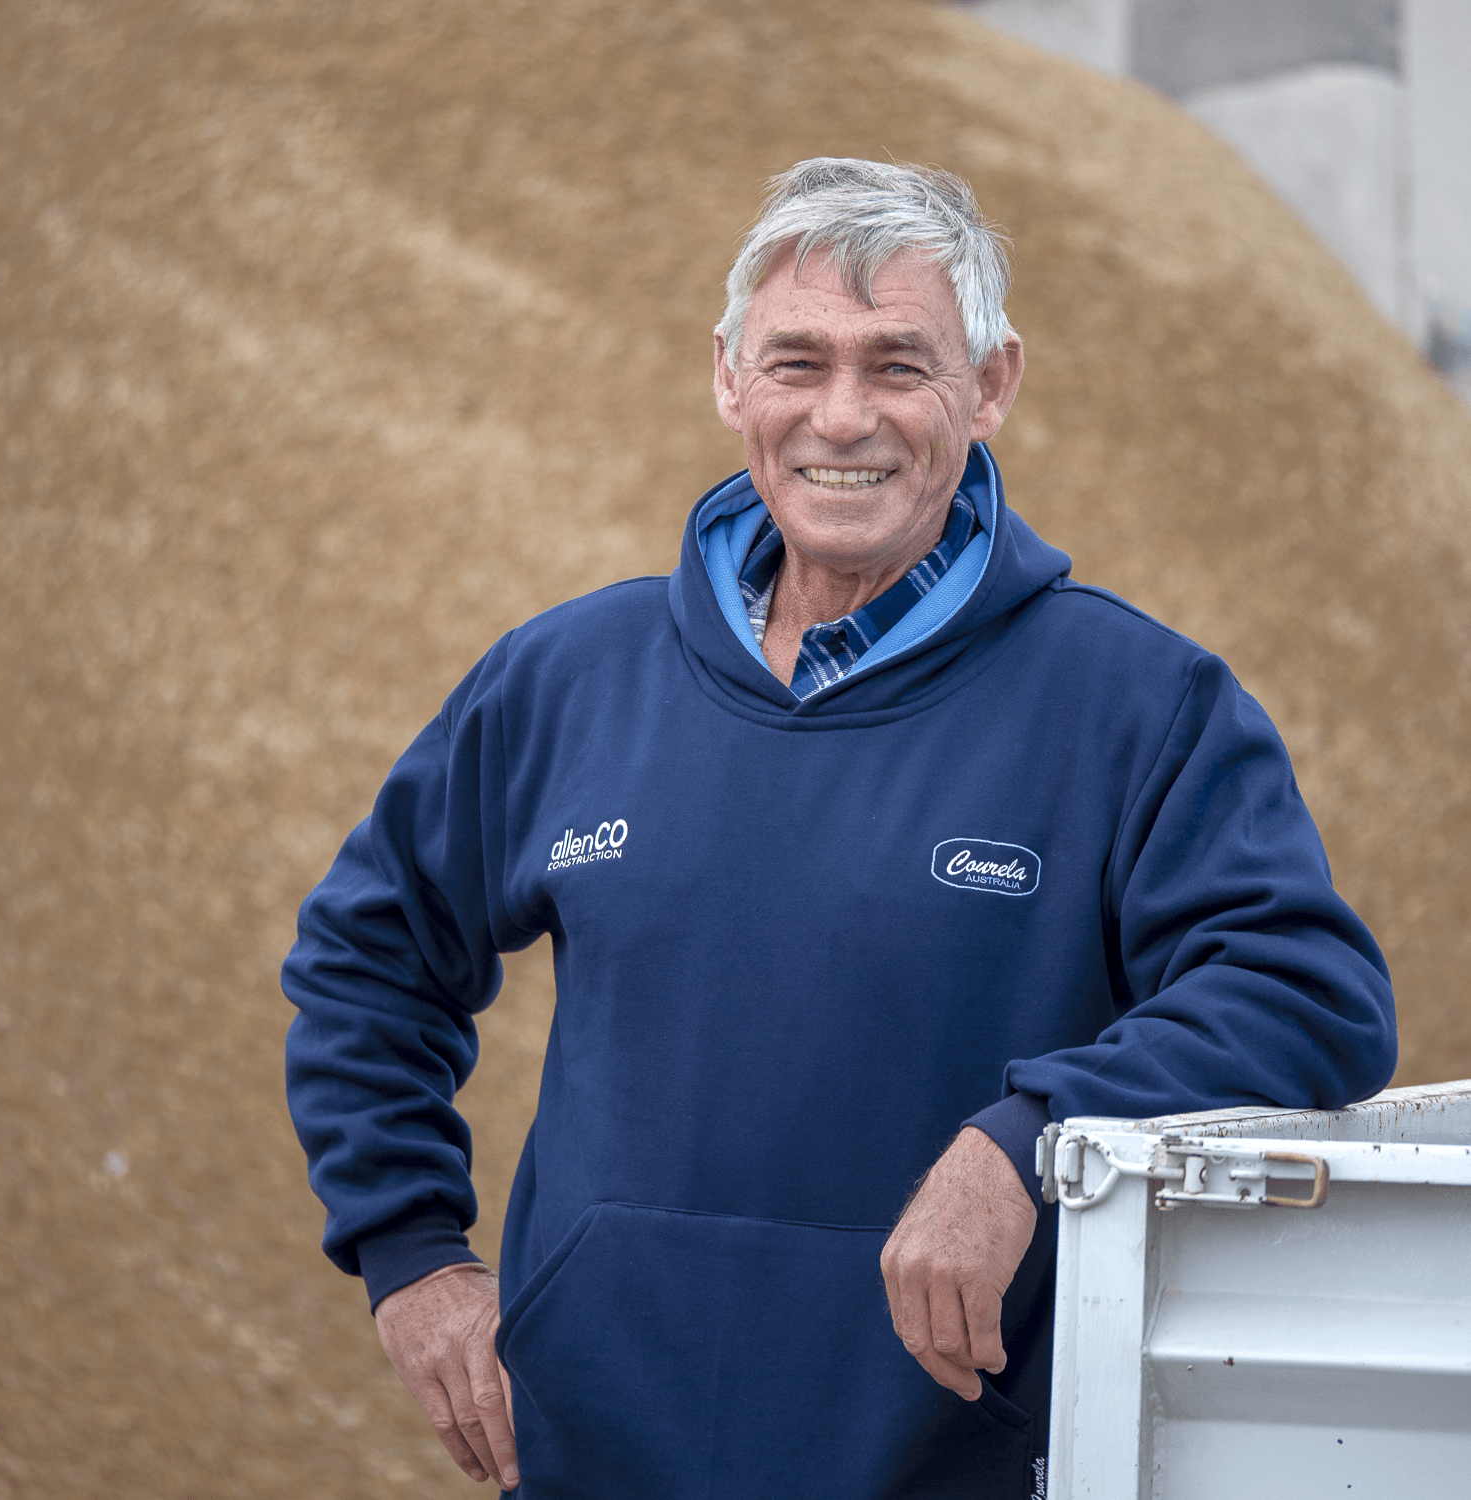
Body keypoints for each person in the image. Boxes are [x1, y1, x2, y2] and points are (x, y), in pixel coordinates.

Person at [282, 158, 1395, 1498]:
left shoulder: (1137, 705)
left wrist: (1034, 1140)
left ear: (991, 385)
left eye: (900, 366)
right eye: (797, 363)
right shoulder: (567, 680)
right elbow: (368, 960)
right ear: (729, 380)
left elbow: (1305, 992)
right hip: (591, 1459)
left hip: (951, 1463)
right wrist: (412, 1257)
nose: (843, 417)